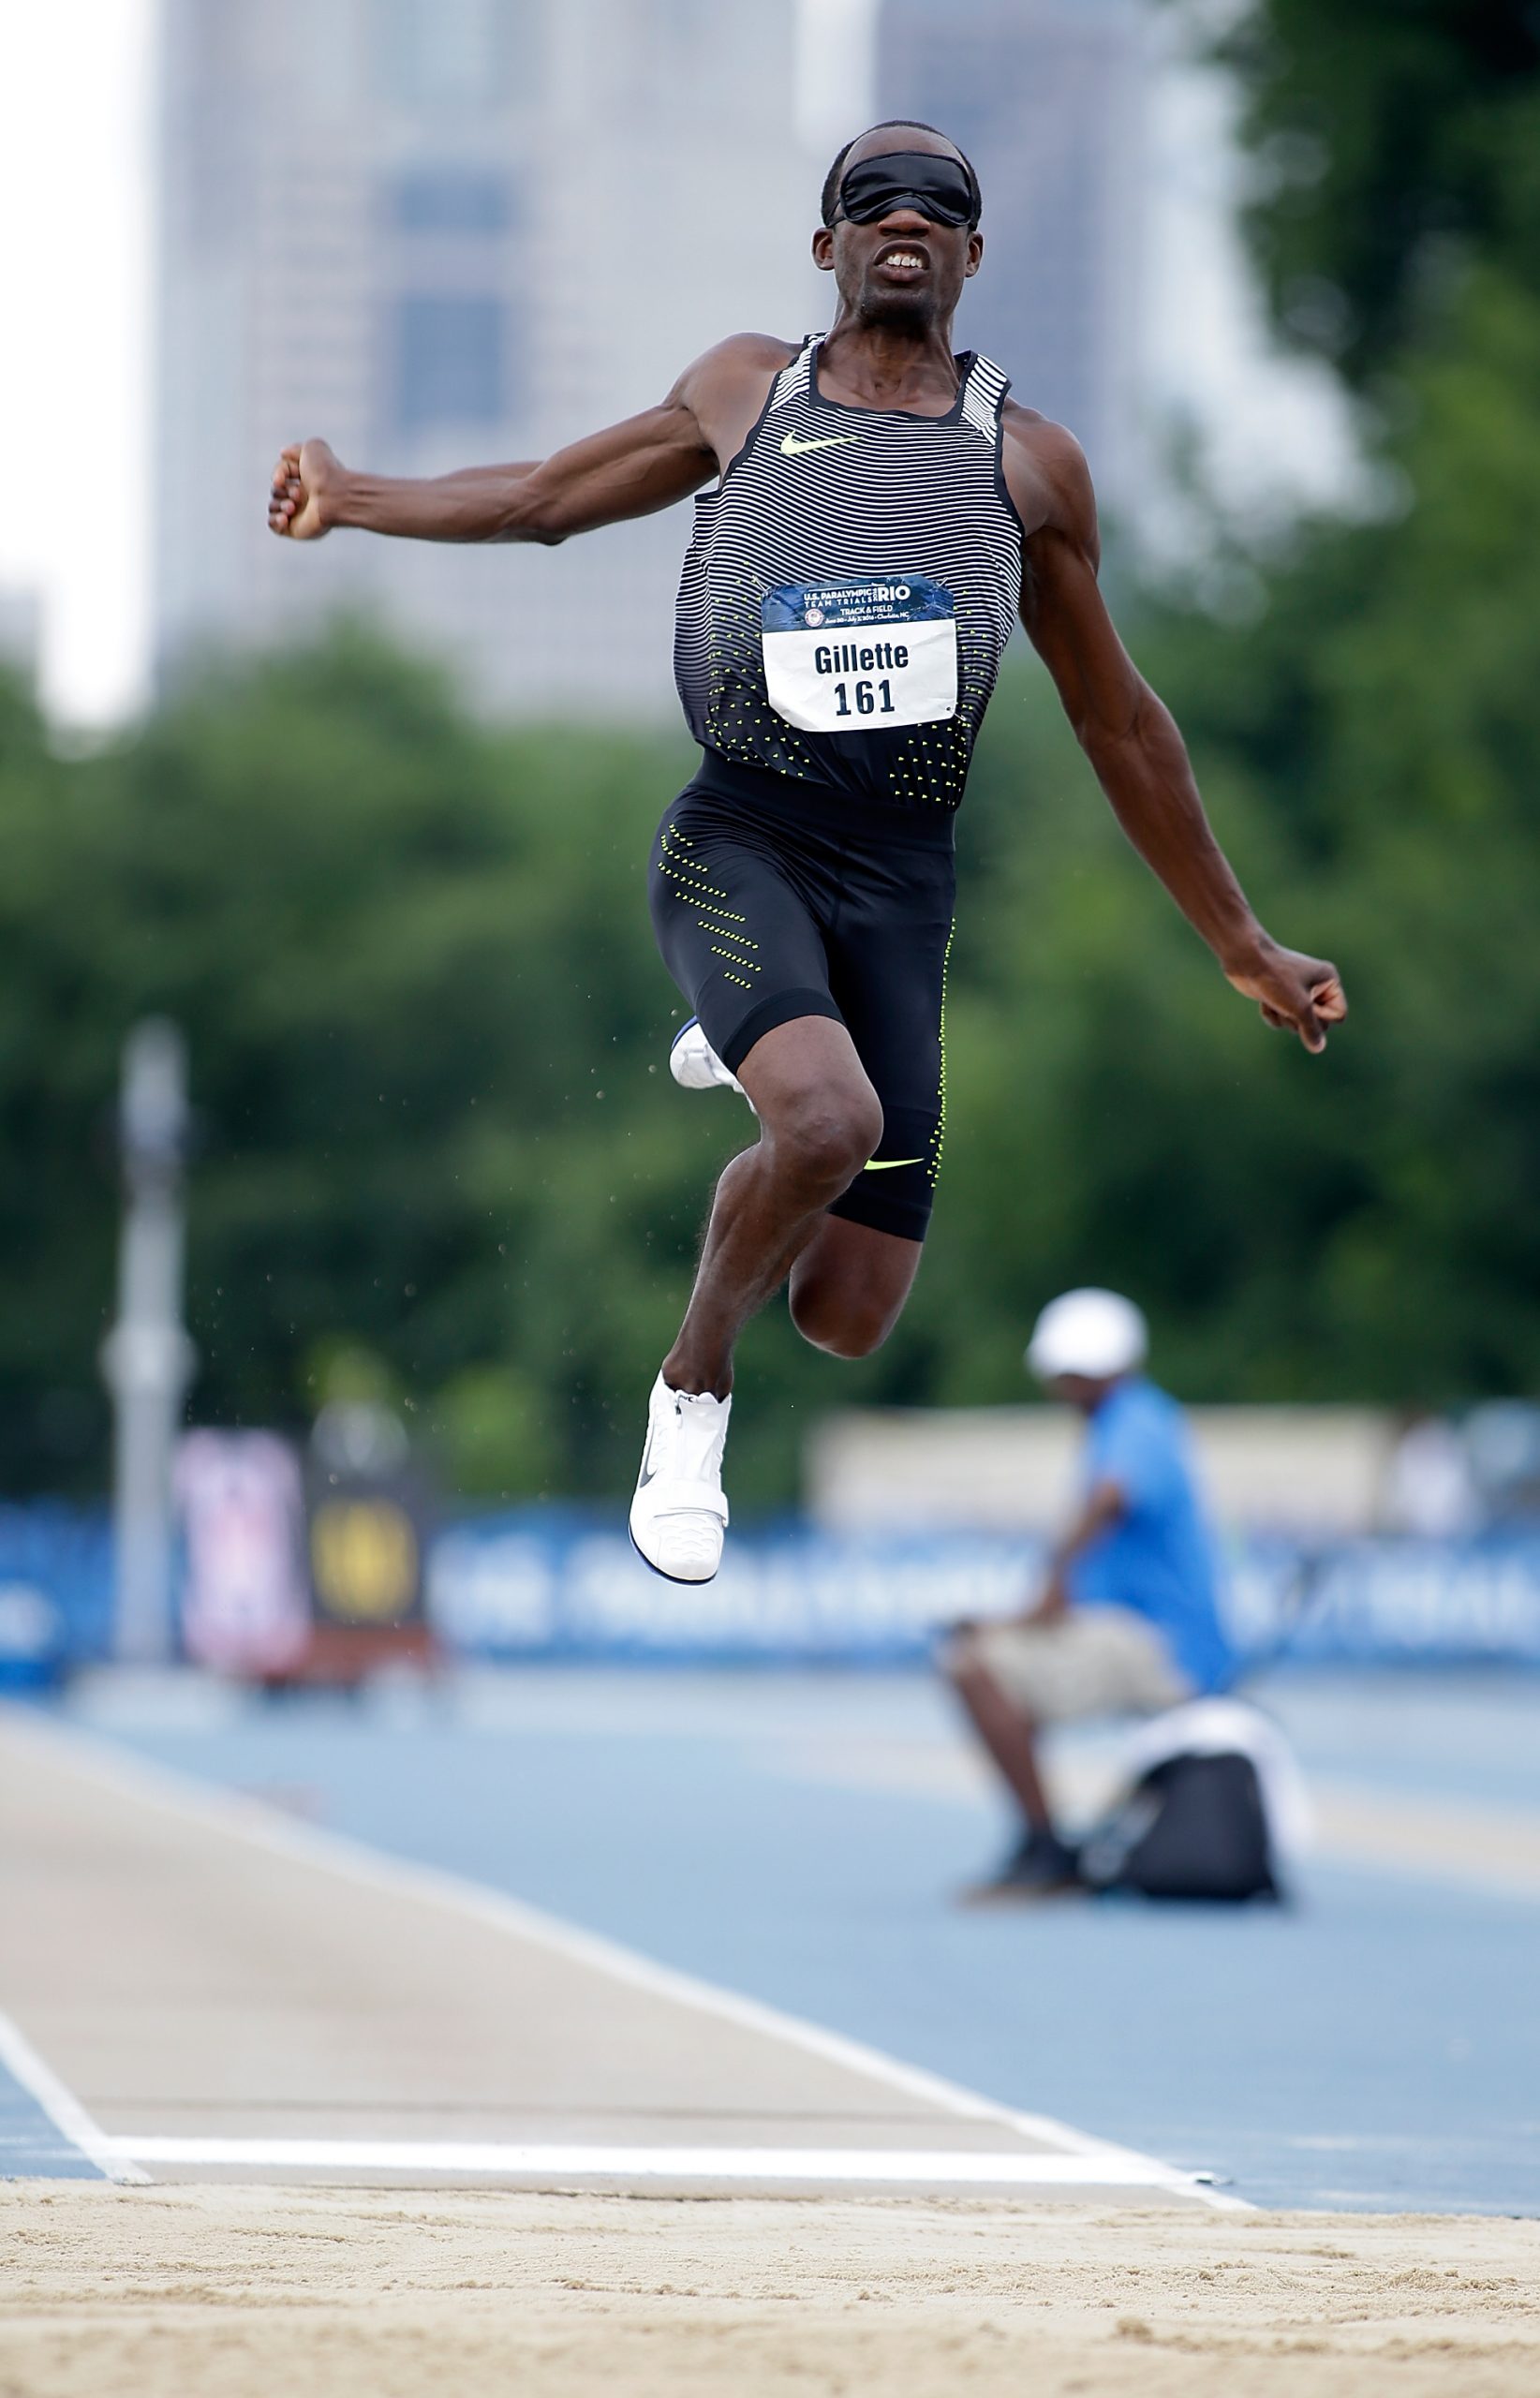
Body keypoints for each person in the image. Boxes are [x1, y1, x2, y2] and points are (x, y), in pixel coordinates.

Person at [268, 122, 1346, 1589]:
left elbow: (1123, 724)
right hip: (741, 836)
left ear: (973, 255)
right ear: (826, 244)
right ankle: (690, 1389)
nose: (907, 215)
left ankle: (757, 1035)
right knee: (827, 1124)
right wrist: (354, 493)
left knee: (846, 1311)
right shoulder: (744, 390)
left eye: (941, 204)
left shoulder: (1028, 465)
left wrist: (1240, 940)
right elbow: (539, 501)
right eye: (871, 200)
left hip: (902, 884)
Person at [942, 1287, 1236, 1897]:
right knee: (994, 1662)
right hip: (1139, 1633)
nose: (1065, 1386)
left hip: (1165, 1648)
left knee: (975, 1669)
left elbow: (1110, 1498)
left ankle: (1046, 1847)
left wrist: (1049, 1588)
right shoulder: (1131, 1419)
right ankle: (1048, 1842)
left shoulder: (1135, 1419)